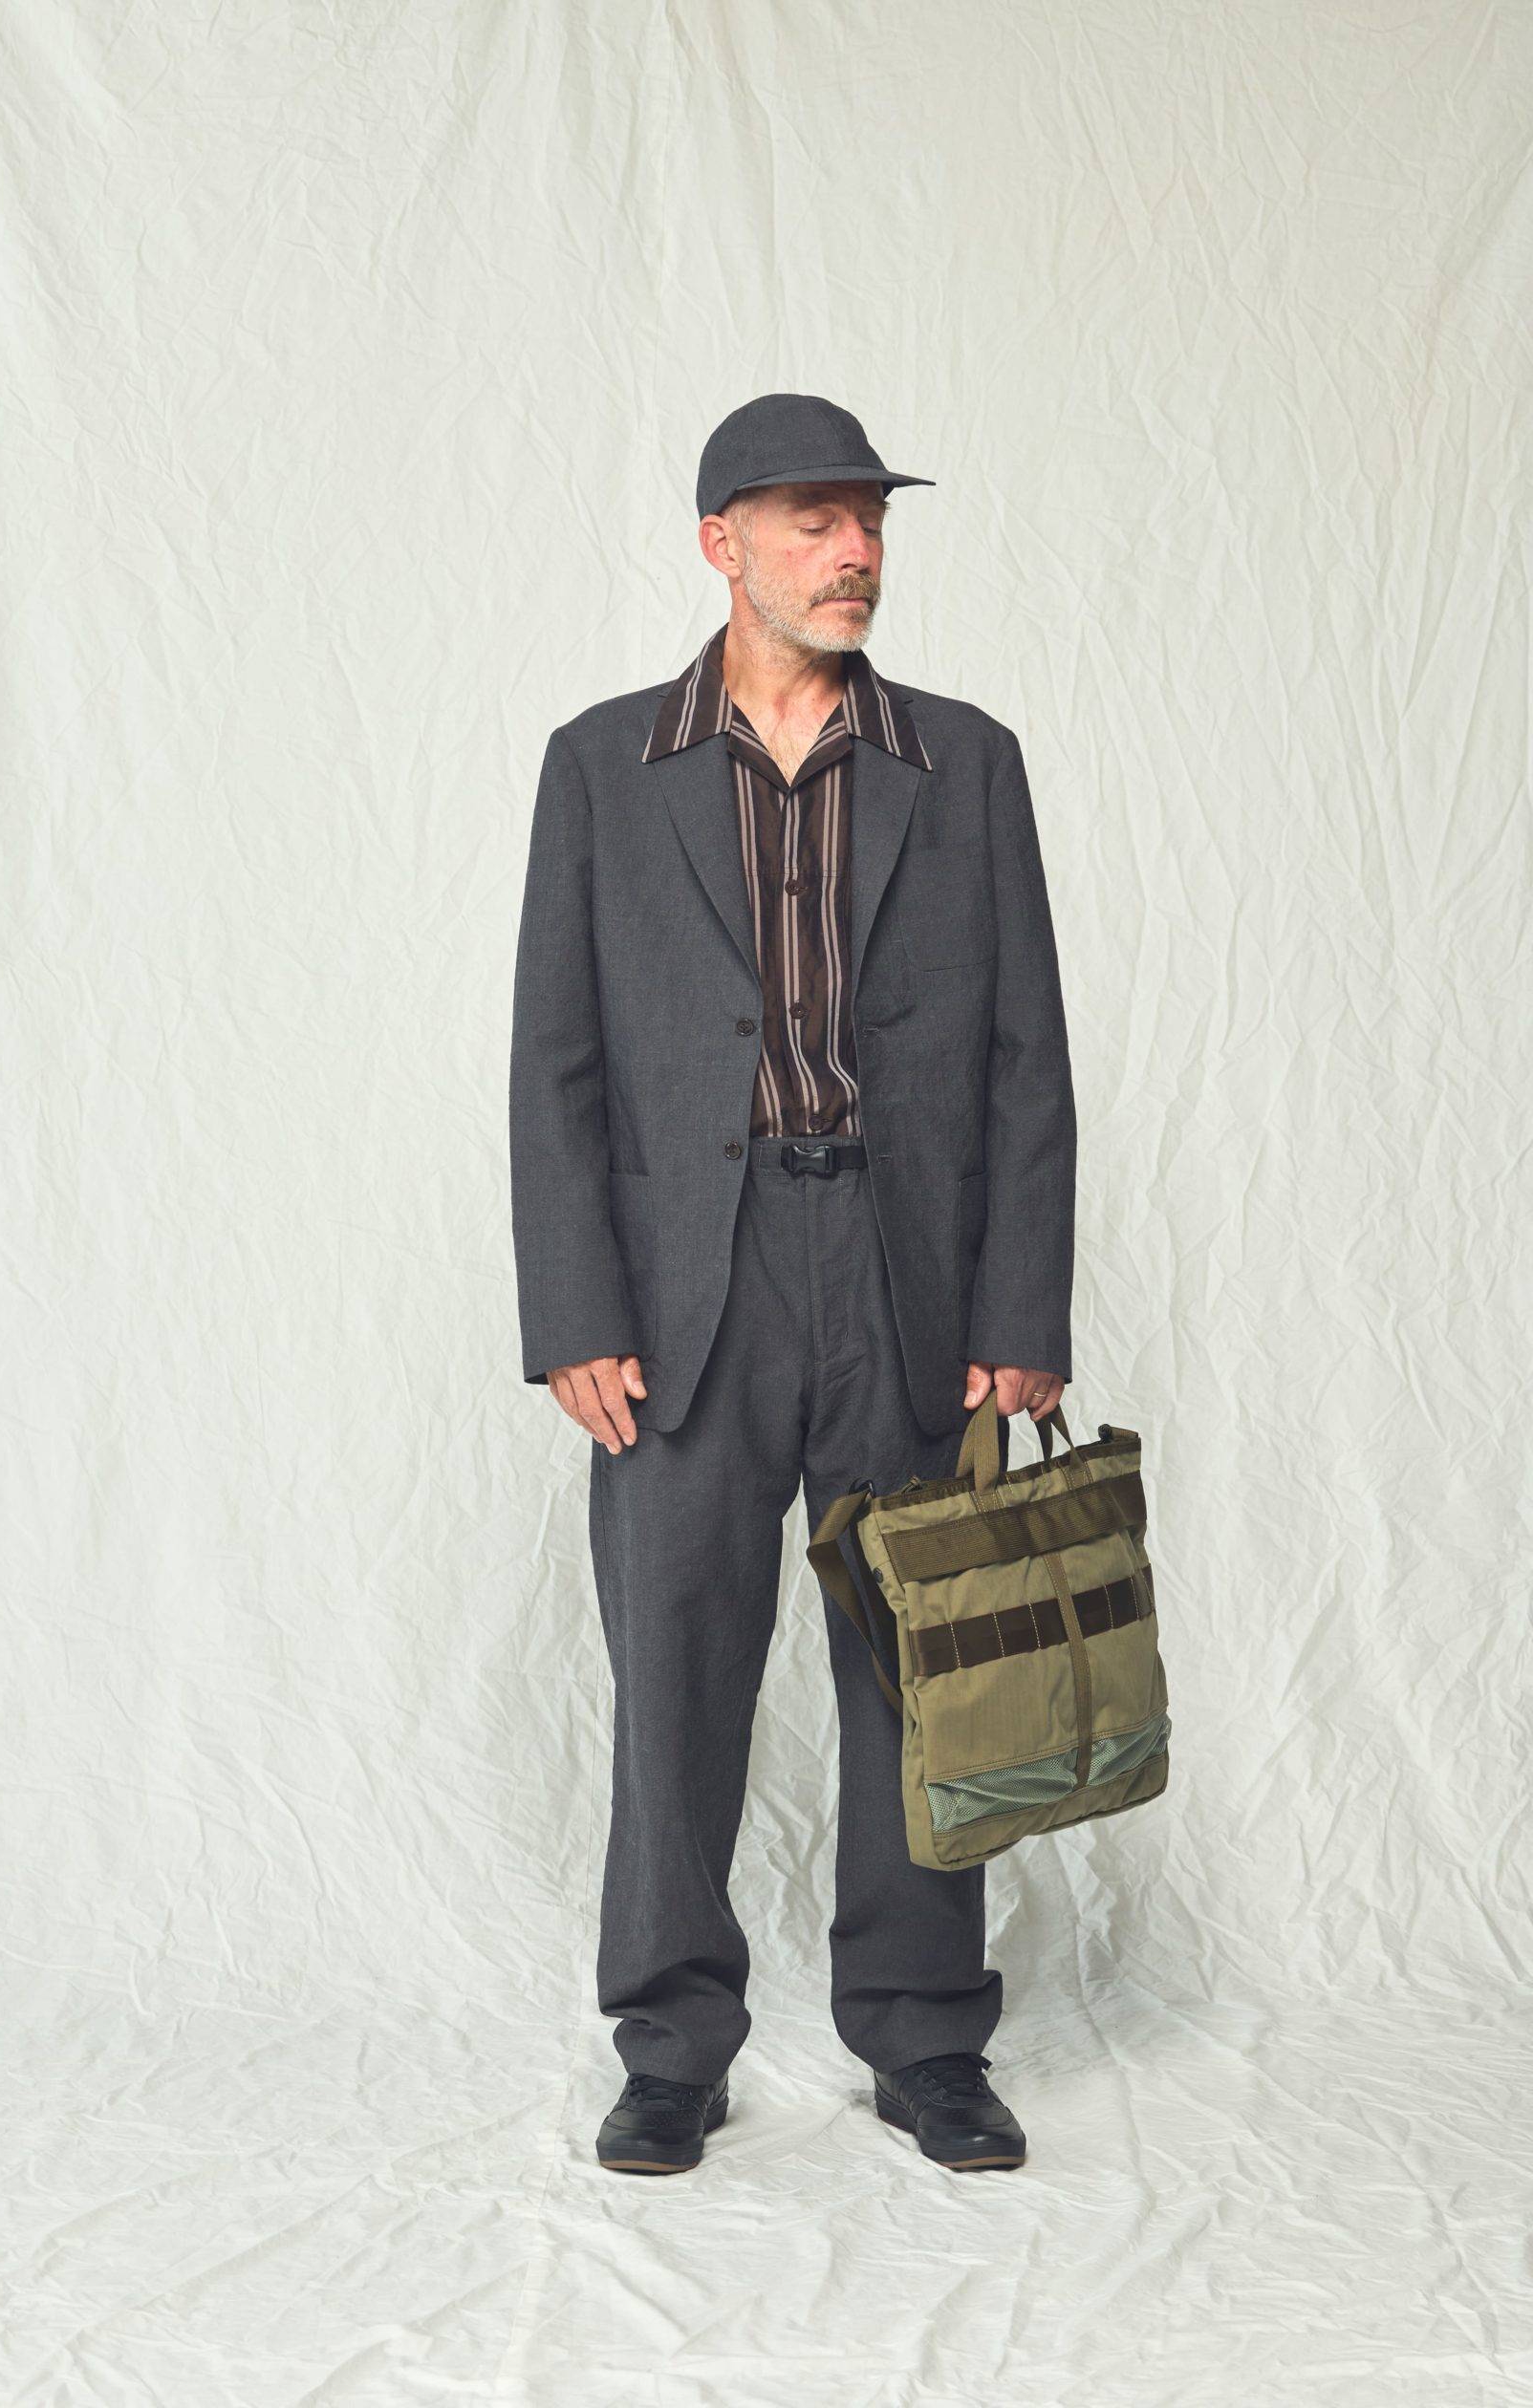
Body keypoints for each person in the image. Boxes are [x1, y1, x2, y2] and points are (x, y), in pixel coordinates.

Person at [507, 393, 1076, 2175]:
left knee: (921, 1664)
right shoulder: (603, 764)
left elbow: (1026, 1060)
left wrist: (1019, 1314)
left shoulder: (962, 762)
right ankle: (672, 2042)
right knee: (676, 1668)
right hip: (688, 1286)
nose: (857, 552)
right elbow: (556, 1061)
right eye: (816, 522)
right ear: (721, 545)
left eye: (871, 521)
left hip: (905, 1274)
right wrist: (575, 1311)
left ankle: (925, 2034)